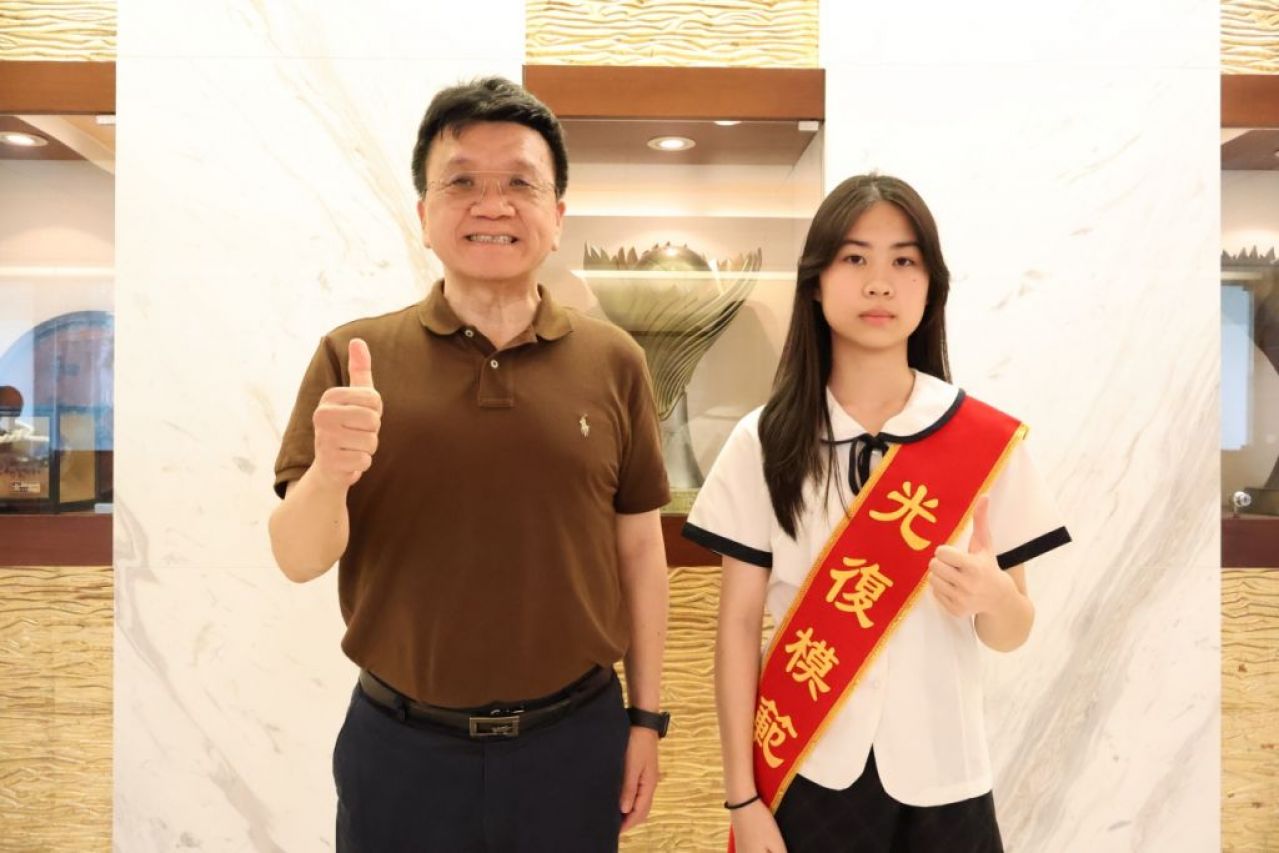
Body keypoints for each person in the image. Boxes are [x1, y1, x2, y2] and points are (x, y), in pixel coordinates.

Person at [269, 77, 673, 852]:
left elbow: (639, 550)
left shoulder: (613, 359)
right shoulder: (353, 356)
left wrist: (646, 719)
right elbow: (296, 556)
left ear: (557, 216)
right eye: (461, 183)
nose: (492, 205)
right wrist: (329, 473)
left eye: (520, 183)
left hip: (574, 742)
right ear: (424, 215)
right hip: (400, 747)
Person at [684, 174, 1071, 853]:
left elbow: (1012, 631)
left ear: (930, 286)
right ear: (815, 281)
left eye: (904, 260)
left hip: (946, 772)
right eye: (854, 258)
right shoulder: (763, 441)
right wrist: (742, 797)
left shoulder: (983, 440)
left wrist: (993, 597)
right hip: (806, 772)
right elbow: (738, 628)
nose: (880, 283)